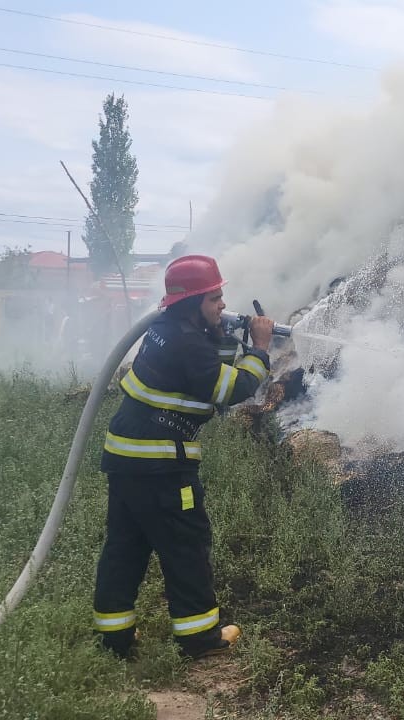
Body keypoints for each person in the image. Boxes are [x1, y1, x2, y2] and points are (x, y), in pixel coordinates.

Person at [92, 255, 274, 660]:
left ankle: (114, 638)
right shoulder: (188, 343)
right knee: (185, 545)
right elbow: (232, 389)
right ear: (192, 304)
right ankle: (200, 637)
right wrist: (260, 348)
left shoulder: (165, 328)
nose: (223, 306)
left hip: (125, 459)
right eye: (214, 299)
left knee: (125, 547)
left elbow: (197, 368)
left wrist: (226, 332)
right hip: (161, 467)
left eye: (222, 298)